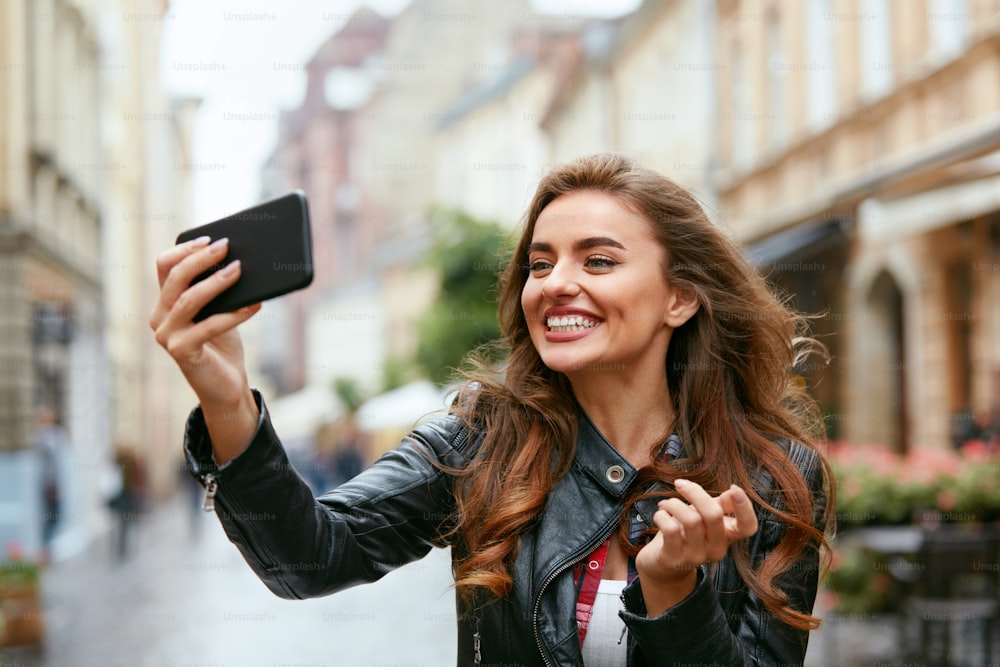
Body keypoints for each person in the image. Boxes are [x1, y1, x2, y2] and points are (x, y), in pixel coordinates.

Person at [150, 153, 834, 666]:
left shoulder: (776, 478)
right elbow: (309, 556)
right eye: (541, 264)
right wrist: (225, 395)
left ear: (679, 298)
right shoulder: (481, 444)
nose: (557, 283)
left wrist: (671, 588)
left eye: (597, 261)